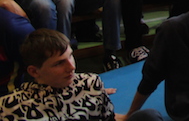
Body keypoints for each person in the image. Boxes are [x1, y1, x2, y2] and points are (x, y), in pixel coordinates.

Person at [0, 29, 162, 121]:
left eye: (70, 56)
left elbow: (109, 118)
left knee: (149, 116)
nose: (71, 67)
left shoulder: (90, 82)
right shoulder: (11, 107)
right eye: (59, 63)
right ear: (34, 71)